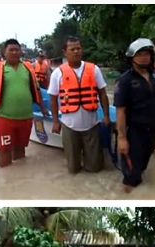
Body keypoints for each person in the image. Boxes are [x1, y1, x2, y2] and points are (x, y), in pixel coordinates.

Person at [0, 38, 48, 168]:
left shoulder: (28, 68)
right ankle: (5, 181)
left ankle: (18, 182)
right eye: (11, 50)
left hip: (26, 117)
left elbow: (36, 89)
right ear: (4, 53)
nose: (14, 52)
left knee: (20, 150)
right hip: (4, 118)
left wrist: (43, 108)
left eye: (17, 50)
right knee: (4, 150)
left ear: (21, 52)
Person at [114, 38, 155, 193]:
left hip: (152, 130)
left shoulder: (154, 76)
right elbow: (120, 111)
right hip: (134, 132)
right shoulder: (125, 81)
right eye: (140, 54)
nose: (144, 57)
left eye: (147, 54)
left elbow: (154, 101)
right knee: (132, 175)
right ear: (132, 57)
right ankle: (127, 194)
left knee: (143, 165)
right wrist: (122, 138)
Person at [48, 36, 110, 174]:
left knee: (95, 169)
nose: (76, 51)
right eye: (72, 49)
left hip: (92, 124)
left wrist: (106, 116)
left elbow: (103, 94)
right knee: (73, 169)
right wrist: (55, 122)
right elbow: (52, 99)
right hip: (69, 126)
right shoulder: (58, 73)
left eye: (78, 48)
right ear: (65, 52)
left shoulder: (94, 69)